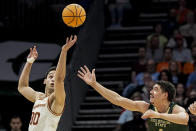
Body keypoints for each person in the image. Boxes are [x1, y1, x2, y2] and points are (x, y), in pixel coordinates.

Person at [78, 66, 189, 131]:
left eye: (155, 90)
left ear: (165, 95)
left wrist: (157, 115)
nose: (150, 92)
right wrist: (94, 84)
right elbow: (117, 99)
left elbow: (184, 118)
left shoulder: (175, 109)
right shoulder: (145, 107)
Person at [18, 35, 77, 131]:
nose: (53, 79)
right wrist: (29, 62)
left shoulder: (57, 99)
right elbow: (22, 87)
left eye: (55, 76)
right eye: (50, 77)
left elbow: (59, 79)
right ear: (45, 81)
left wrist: (64, 51)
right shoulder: (39, 97)